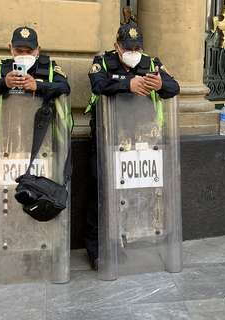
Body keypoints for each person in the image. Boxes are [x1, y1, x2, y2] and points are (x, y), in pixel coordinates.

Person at [85, 20, 180, 270]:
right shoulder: (103, 62)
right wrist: (128, 84)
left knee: (132, 194)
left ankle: (130, 241)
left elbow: (174, 87)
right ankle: (97, 249)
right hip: (107, 139)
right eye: (129, 47)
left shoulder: (151, 63)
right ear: (117, 46)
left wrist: (160, 85)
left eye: (138, 47)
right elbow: (98, 84)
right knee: (100, 193)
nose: (134, 52)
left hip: (142, 142)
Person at [0, 26, 70, 97]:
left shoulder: (48, 67)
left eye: (29, 51)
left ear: (38, 50)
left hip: (41, 122)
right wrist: (4, 82)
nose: (24, 55)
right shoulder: (3, 67)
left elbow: (65, 88)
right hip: (9, 122)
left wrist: (38, 85)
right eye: (19, 51)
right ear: (10, 48)